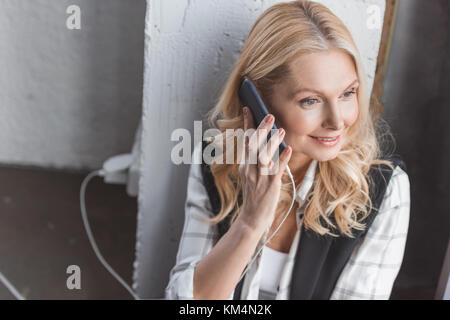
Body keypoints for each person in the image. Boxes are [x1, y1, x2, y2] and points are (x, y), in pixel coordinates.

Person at [165, 0, 410, 300]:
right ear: (257, 101)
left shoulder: (384, 189)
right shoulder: (217, 159)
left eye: (348, 93)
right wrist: (250, 223)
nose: (337, 121)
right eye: (310, 100)